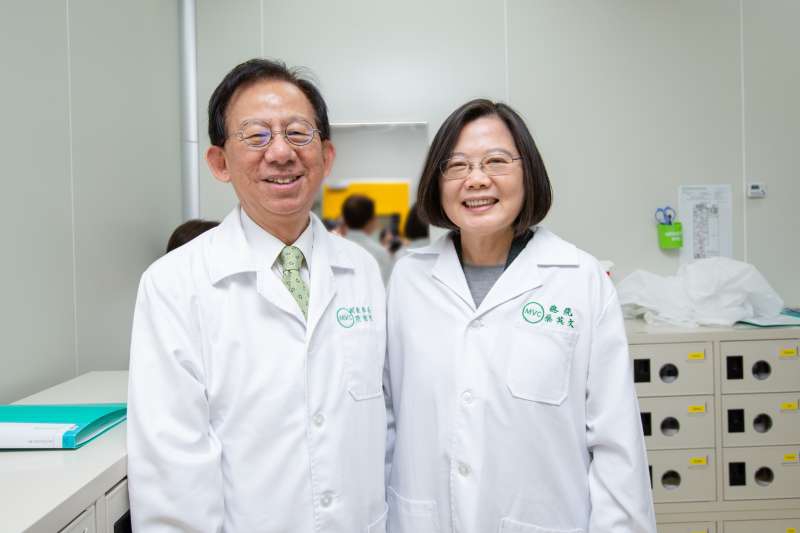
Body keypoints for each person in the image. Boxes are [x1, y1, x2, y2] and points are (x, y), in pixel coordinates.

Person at [128, 58, 389, 532]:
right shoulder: (173, 283)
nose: (281, 152)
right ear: (219, 162)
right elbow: (171, 467)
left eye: (298, 133)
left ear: (326, 155)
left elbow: (380, 425)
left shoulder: (363, 270)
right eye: (256, 136)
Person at [384, 99, 656, 532]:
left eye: (496, 161)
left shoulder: (579, 280)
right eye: (457, 165)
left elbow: (616, 443)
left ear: (528, 173)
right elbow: (387, 419)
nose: (476, 179)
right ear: (437, 182)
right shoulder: (408, 280)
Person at [341, 194, 394, 284]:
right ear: (372, 219)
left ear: (344, 219)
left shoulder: (332, 250)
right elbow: (385, 286)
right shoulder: (380, 253)